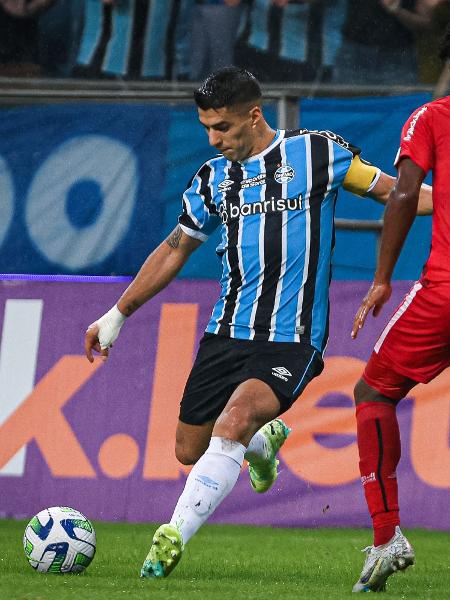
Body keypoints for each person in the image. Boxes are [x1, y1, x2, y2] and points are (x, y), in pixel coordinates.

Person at [84, 67, 433, 579]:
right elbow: (175, 249)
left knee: (235, 418)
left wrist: (445, 201)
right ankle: (261, 445)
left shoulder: (316, 153)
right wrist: (118, 313)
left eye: (221, 127)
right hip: (227, 331)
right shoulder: (211, 178)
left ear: (254, 114)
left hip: (293, 338)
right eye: (205, 127)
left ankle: (170, 539)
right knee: (188, 450)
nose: (212, 139)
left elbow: (391, 192)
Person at [350, 28, 450, 594]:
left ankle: (387, 537)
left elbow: (404, 193)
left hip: (444, 292)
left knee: (374, 392)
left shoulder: (430, 117)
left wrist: (383, 278)